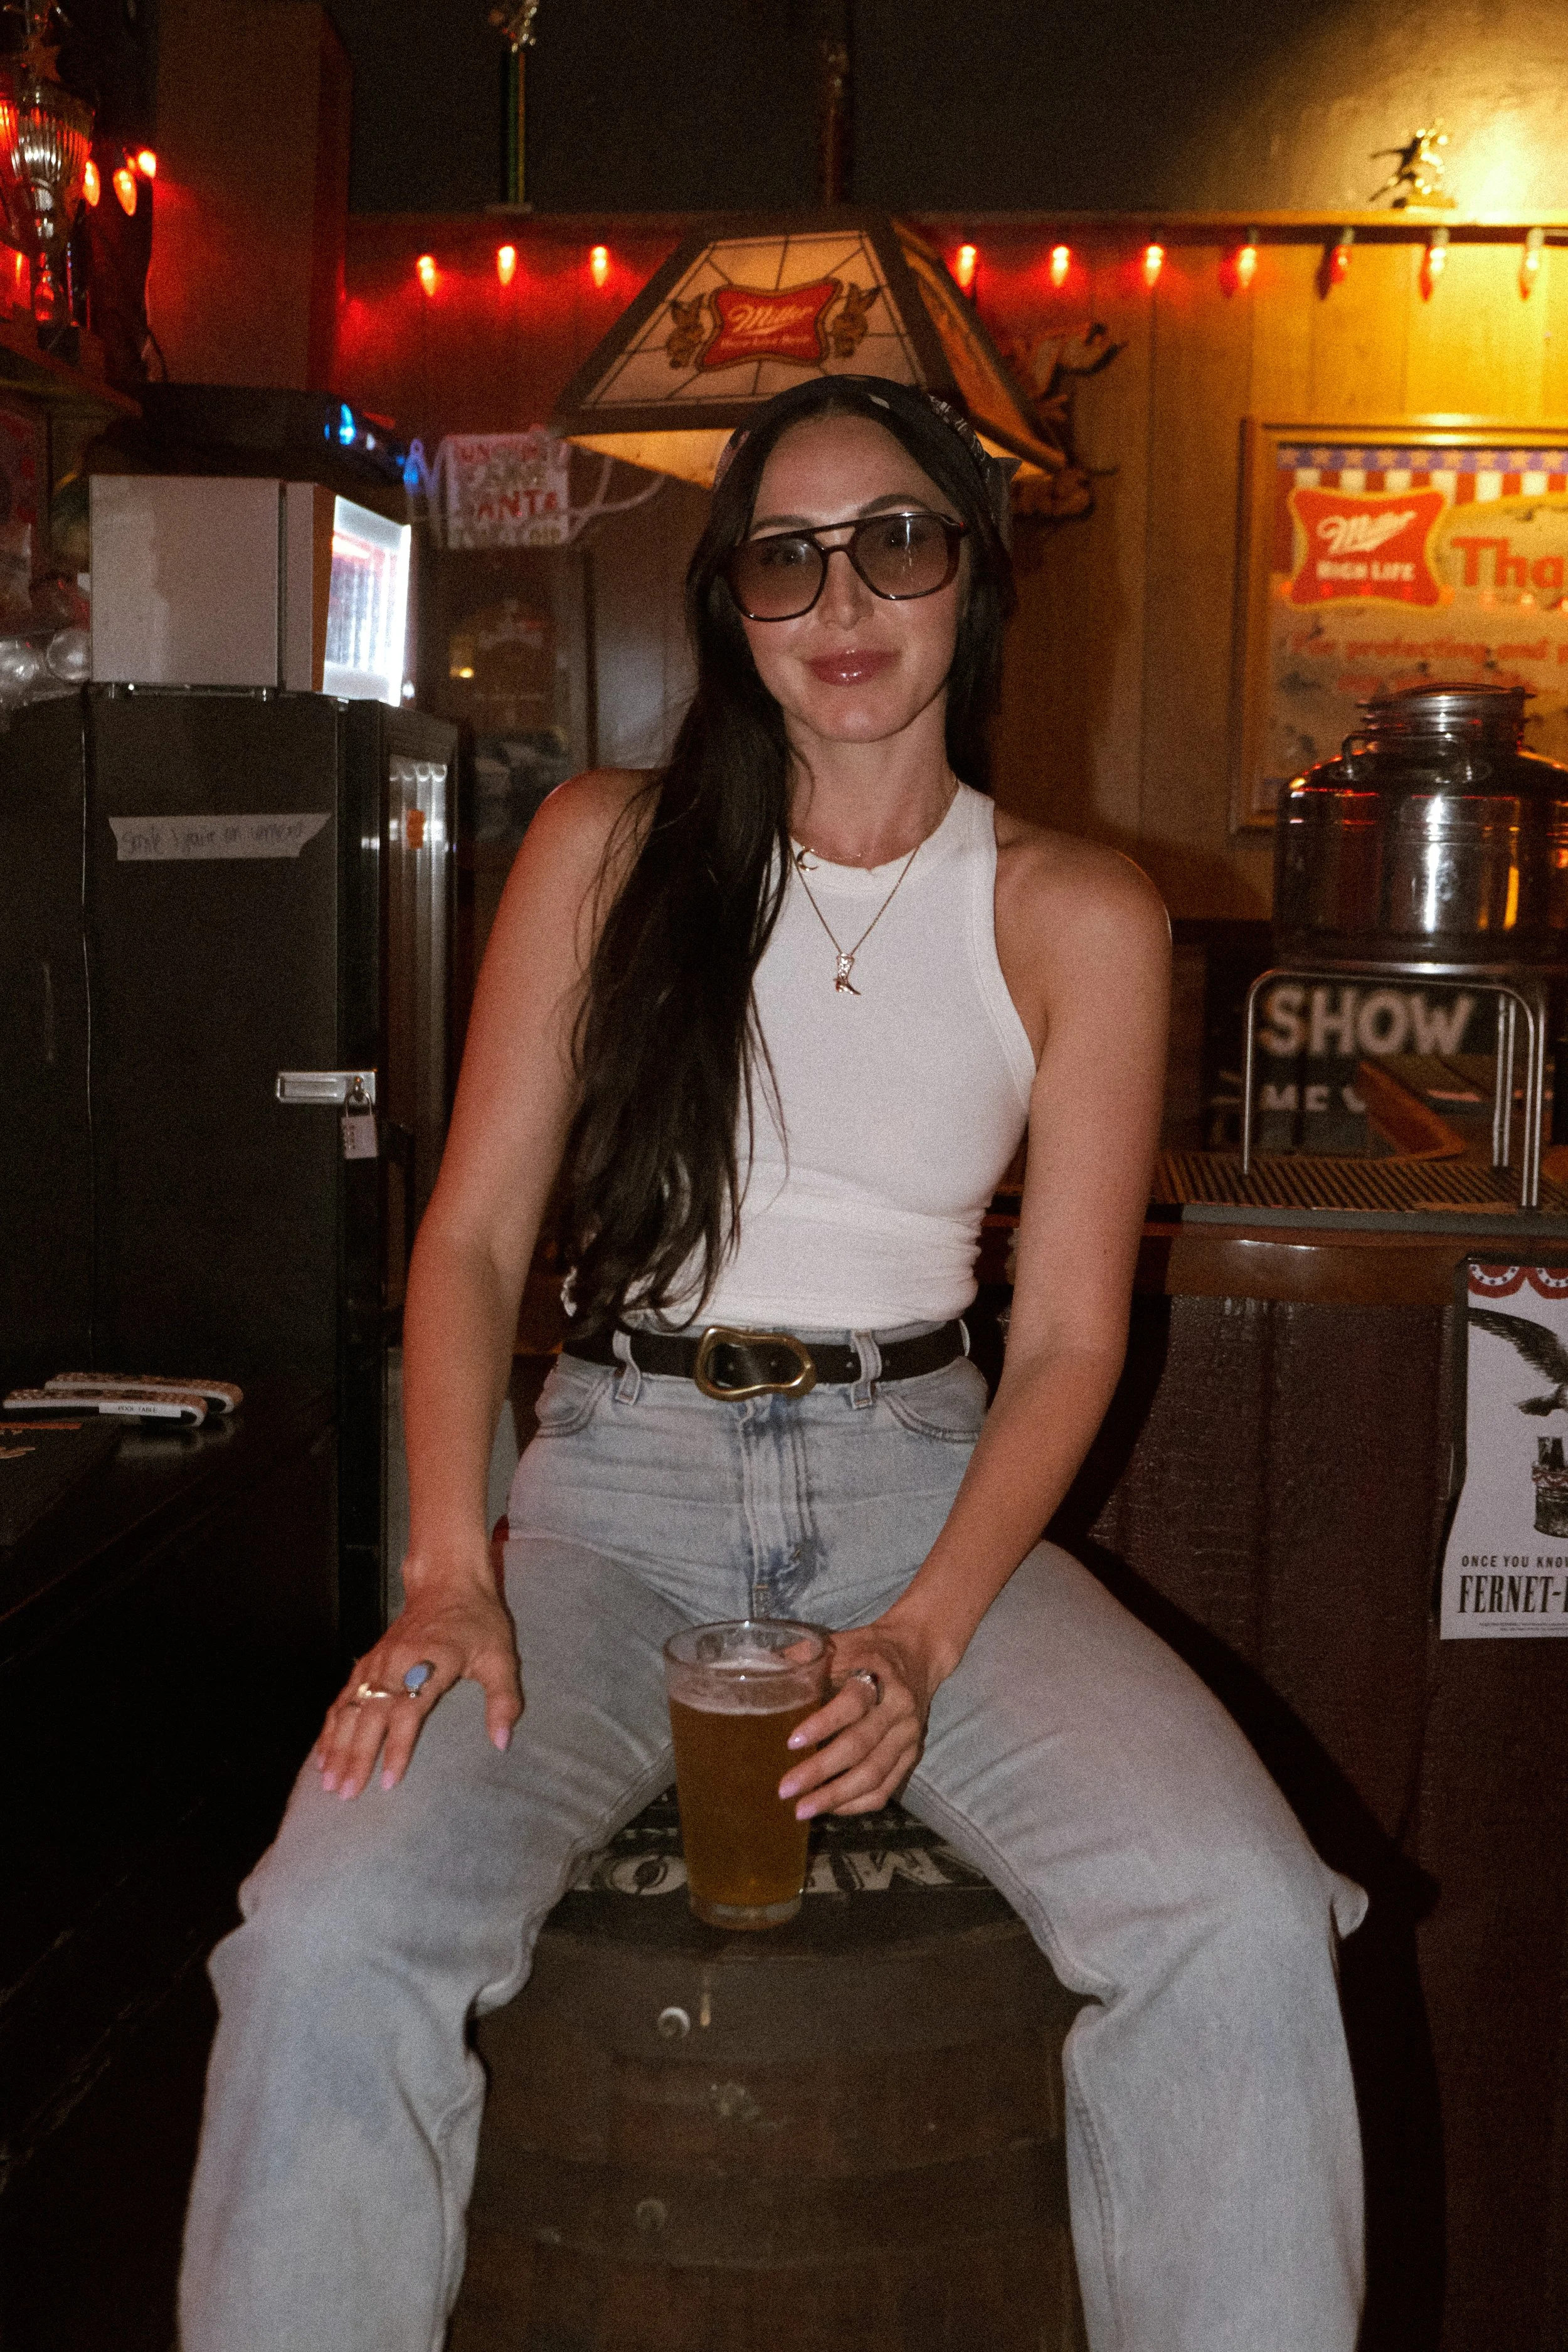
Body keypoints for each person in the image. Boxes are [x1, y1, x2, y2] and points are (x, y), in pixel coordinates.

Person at [179, 373, 1366, 2352]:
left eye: (894, 540)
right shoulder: (605, 843)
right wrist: (449, 1568)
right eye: (784, 556)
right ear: (728, 608)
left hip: (920, 1482)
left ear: (970, 583)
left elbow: (1070, 1335)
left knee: (1237, 1912)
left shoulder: (1076, 908)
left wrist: (918, 1635)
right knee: (323, 1930)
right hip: (608, 1496)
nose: (842, 596)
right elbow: (467, 1242)